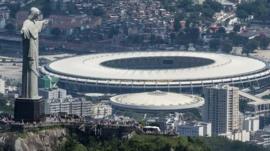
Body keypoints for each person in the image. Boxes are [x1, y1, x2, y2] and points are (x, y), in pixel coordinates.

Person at [21, 7, 49, 99]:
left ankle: (33, 93)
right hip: (30, 48)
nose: (38, 17)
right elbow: (24, 28)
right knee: (29, 69)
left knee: (33, 68)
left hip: (34, 48)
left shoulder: (33, 22)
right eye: (36, 15)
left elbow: (37, 24)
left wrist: (43, 22)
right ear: (33, 15)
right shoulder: (27, 22)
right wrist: (24, 31)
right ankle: (28, 95)